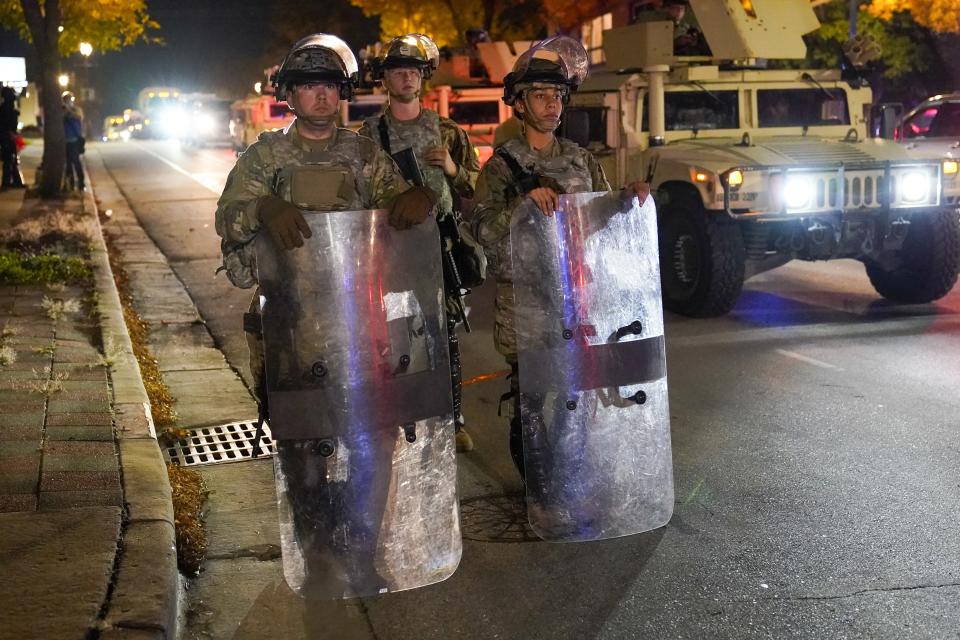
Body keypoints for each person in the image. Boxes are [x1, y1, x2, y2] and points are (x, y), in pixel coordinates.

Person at [214, 34, 440, 593]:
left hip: (358, 324)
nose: (321, 95)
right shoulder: (265, 155)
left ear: (342, 94)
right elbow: (228, 218)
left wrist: (418, 198)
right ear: (289, 94)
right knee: (303, 445)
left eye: (330, 86)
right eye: (309, 85)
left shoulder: (364, 154)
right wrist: (262, 206)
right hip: (290, 327)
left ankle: (363, 550)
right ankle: (316, 551)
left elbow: (398, 213)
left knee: (374, 440)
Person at [470, 36, 651, 478]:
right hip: (526, 303)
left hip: (576, 294)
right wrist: (523, 207)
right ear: (519, 103)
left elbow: (601, 219)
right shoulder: (501, 167)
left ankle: (571, 478)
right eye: (539, 96)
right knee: (531, 399)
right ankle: (539, 486)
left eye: (557, 96)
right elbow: (480, 230)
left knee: (577, 391)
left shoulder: (581, 160)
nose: (551, 105)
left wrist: (627, 201)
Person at [359, 33, 482, 453]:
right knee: (393, 337)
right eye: (397, 71)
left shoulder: (446, 131)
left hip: (439, 250)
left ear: (423, 78)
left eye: (413, 70)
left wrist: (451, 167)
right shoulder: (369, 134)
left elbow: (478, 187)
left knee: (442, 334)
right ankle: (399, 416)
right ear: (385, 80)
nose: (406, 77)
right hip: (390, 253)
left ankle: (453, 418)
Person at [639, 0, 709, 56]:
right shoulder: (657, 24)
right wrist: (676, 42)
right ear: (667, 9)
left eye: (682, 9)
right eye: (676, 8)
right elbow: (654, 49)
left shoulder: (687, 25)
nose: (679, 11)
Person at [0, 86, 25, 190]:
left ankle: (13, 180)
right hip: (8, 136)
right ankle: (10, 181)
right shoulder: (7, 109)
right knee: (9, 158)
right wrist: (11, 133)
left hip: (8, 136)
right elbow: (6, 123)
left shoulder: (6, 108)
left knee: (11, 159)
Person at [62, 91, 85, 191]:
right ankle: (70, 184)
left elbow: (79, 118)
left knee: (76, 162)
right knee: (68, 164)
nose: (68, 102)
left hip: (74, 140)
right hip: (64, 141)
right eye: (65, 100)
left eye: (69, 100)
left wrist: (69, 111)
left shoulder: (76, 110)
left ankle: (81, 182)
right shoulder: (61, 111)